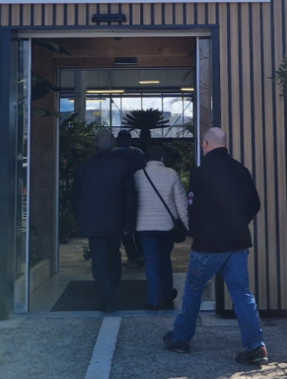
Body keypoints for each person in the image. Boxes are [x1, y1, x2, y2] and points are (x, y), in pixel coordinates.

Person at [163, 127, 268, 365]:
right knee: (242, 293)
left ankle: (181, 339)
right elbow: (254, 204)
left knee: (194, 290)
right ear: (225, 144)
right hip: (238, 241)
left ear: (205, 144)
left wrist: (196, 232)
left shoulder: (201, 173)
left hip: (208, 244)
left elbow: (193, 208)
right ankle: (256, 345)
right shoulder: (241, 170)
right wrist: (239, 223)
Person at [71, 129, 136, 313]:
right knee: (114, 257)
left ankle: (105, 297)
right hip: (116, 221)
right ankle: (112, 294)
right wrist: (129, 223)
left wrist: (80, 218)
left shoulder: (85, 168)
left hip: (93, 222)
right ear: (113, 143)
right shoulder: (123, 166)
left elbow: (75, 197)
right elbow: (130, 197)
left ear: (95, 144)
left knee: (99, 260)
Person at [134, 143, 189, 311]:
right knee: (165, 259)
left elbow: (132, 201)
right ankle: (167, 293)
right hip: (166, 226)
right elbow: (181, 203)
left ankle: (153, 300)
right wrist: (188, 225)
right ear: (162, 158)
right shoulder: (171, 174)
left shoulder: (137, 175)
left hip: (144, 226)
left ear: (145, 159)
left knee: (151, 261)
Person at [114, 129, 146, 267]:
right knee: (137, 225)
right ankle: (142, 253)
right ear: (130, 140)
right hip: (137, 191)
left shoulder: (114, 153)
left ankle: (132, 256)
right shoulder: (139, 153)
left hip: (120, 194)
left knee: (124, 227)